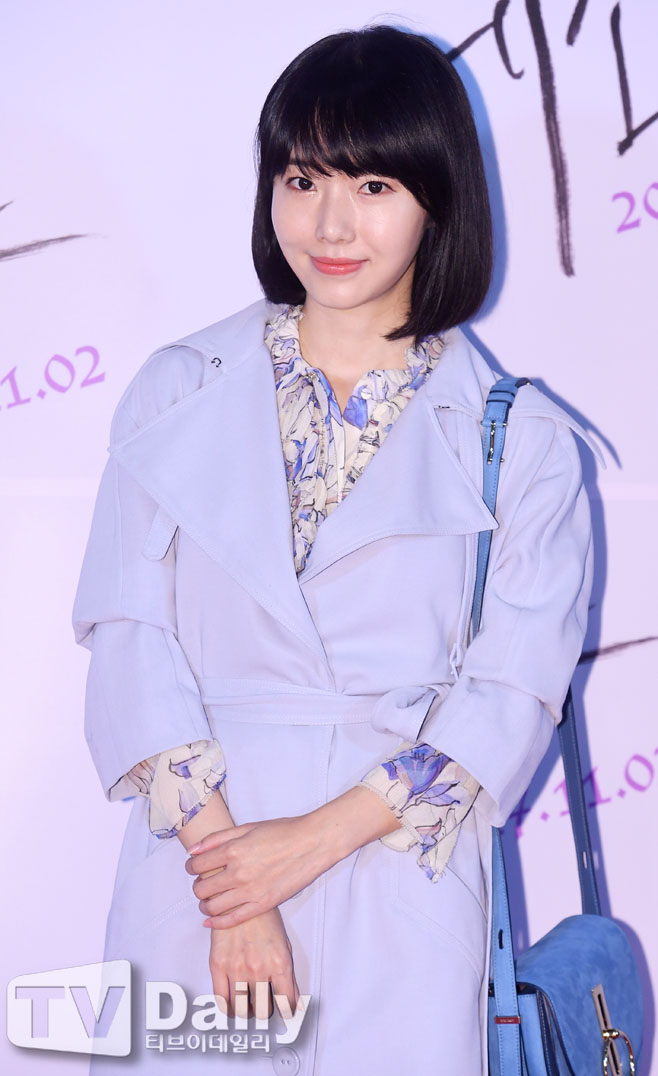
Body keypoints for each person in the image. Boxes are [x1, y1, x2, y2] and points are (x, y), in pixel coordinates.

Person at [72, 23, 603, 1076]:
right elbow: (128, 636)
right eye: (302, 177)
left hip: (398, 871)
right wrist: (237, 884)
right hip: (201, 872)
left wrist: (309, 843)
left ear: (437, 198)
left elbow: (509, 693)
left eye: (373, 185)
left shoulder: (524, 441)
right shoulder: (177, 388)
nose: (329, 222)